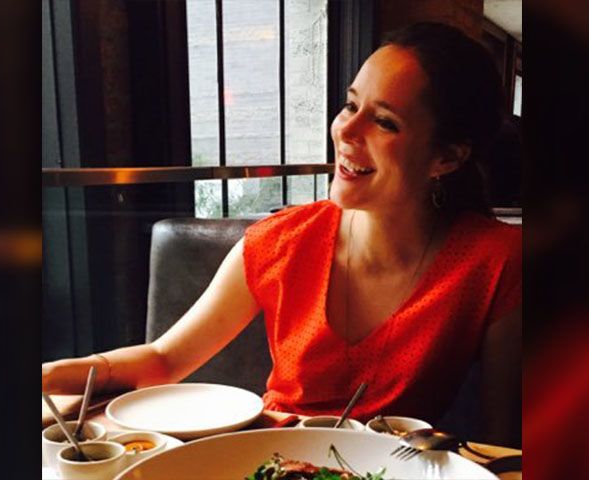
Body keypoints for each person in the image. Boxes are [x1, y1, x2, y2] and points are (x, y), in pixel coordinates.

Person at [42, 22, 521, 445]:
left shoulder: (497, 261)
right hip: (266, 460)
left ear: (447, 158)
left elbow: (505, 441)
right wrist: (51, 375)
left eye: (384, 122)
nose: (346, 131)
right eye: (350, 105)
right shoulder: (281, 241)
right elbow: (164, 360)